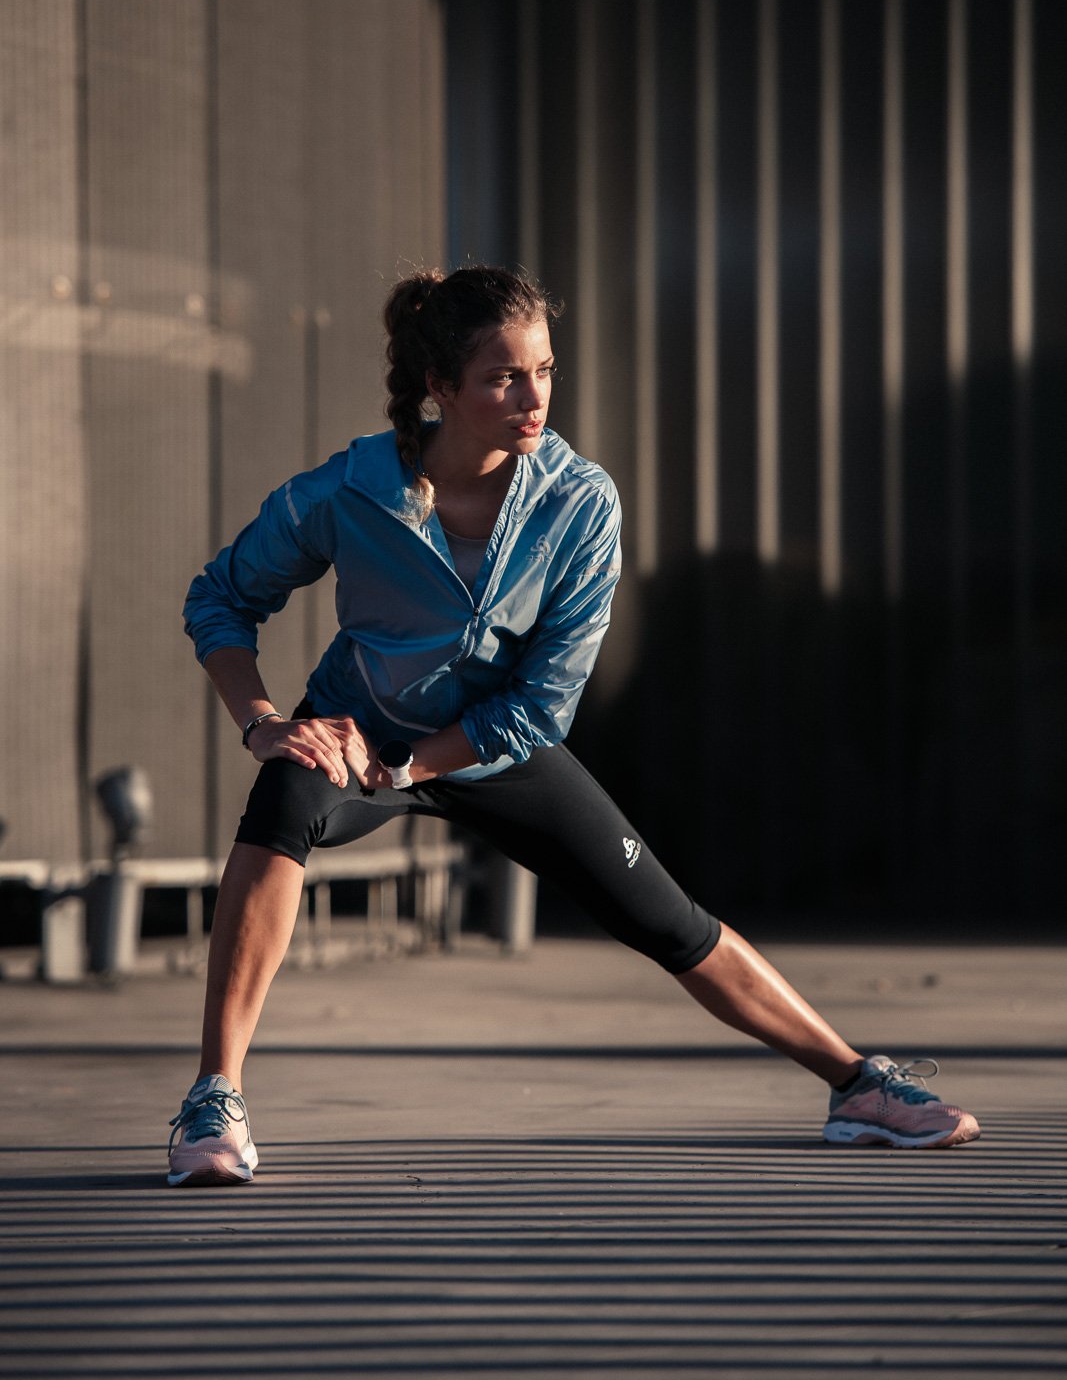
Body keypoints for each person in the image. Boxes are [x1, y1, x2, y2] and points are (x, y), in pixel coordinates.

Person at [168, 266, 979, 1185]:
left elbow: (542, 702)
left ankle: (856, 1086)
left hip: (495, 745)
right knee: (281, 803)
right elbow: (222, 598)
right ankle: (213, 1101)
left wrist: (411, 769)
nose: (532, 396)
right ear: (439, 388)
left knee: (671, 921)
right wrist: (267, 723)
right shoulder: (346, 491)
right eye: (503, 377)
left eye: (544, 370)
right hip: (357, 729)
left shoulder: (579, 500)